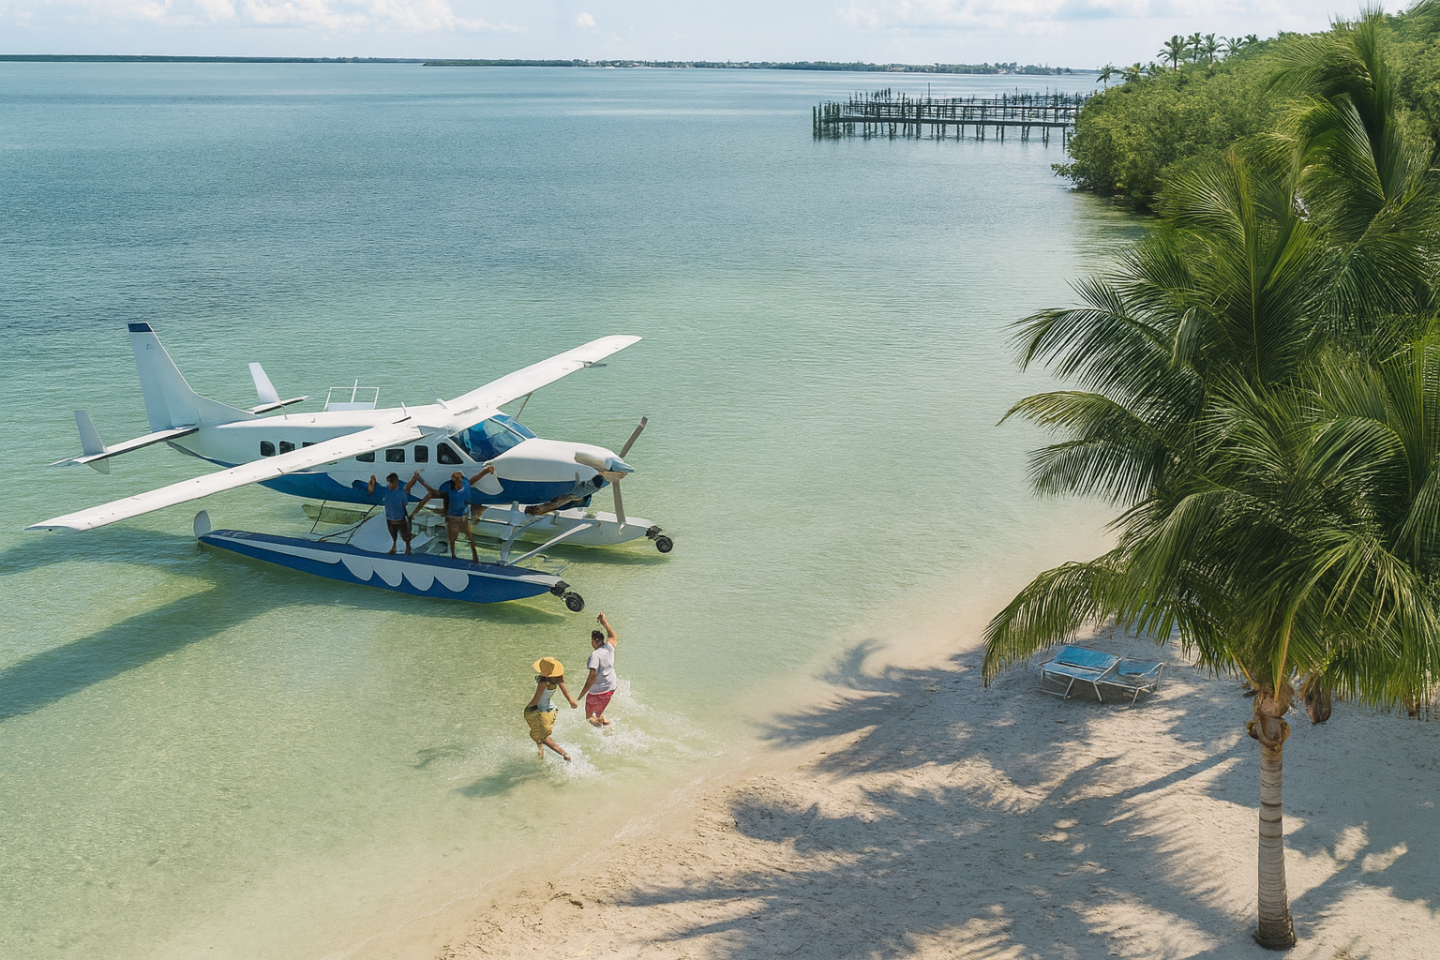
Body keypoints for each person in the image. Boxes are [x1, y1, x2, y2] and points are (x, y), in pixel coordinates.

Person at [410, 466, 494, 563]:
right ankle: (453, 555)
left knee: (469, 536)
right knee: (452, 538)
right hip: (452, 517)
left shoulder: (466, 483)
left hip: (462, 516)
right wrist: (420, 480)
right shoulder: (449, 487)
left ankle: (474, 555)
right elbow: (432, 492)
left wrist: (486, 471)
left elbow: (475, 478)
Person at [525, 656, 578, 761]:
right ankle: (541, 754)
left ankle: (564, 754)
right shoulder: (557, 677)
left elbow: (537, 698)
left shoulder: (543, 681)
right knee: (536, 733)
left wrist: (528, 708)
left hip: (542, 712)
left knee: (541, 736)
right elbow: (563, 686)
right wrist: (571, 701)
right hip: (551, 709)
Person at [576, 612, 618, 727]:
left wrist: (581, 694)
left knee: (589, 717)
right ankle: (608, 726)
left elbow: (592, 677)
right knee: (598, 713)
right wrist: (604, 621)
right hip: (611, 687)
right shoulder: (609, 648)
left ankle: (601, 734)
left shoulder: (594, 656)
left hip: (598, 691)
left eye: (593, 641)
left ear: (597, 640)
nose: (592, 644)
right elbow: (613, 635)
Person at [366, 472, 421, 554]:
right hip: (390, 516)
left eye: (394, 482)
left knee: (405, 534)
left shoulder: (400, 492)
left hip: (400, 517)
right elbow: (373, 492)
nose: (393, 484)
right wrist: (373, 482)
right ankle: (394, 547)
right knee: (393, 534)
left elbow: (405, 502)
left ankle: (407, 547)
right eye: (392, 482)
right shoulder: (386, 490)